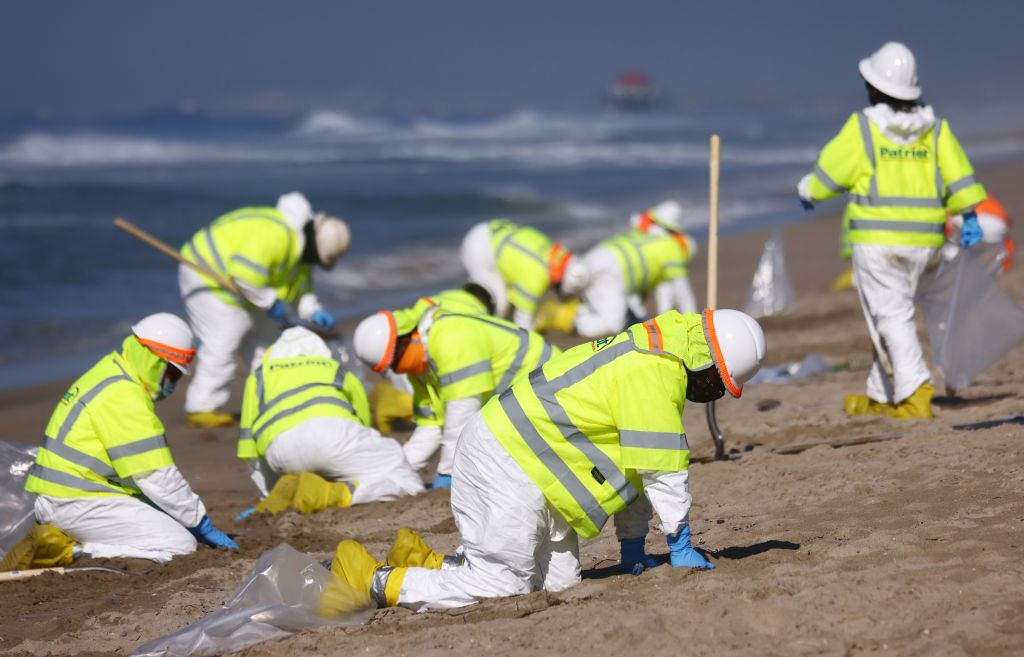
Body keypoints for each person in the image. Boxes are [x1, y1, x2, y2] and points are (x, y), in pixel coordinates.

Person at [328, 308, 766, 610]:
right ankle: (372, 579)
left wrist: (633, 548)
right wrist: (679, 545)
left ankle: (436, 564)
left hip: (538, 468)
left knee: (558, 586)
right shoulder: (654, 371)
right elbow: (662, 470)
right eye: (720, 382)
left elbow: (637, 471)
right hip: (505, 456)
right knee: (501, 587)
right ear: (707, 363)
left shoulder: (657, 353)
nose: (716, 392)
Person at [797, 42, 987, 420]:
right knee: (886, 314)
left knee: (890, 315)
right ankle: (882, 391)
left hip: (880, 245)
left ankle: (915, 391)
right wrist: (969, 216)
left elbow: (829, 174)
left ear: (873, 86)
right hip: (927, 243)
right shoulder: (935, 129)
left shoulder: (864, 127)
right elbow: (959, 175)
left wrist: (808, 191)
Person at [24, 313, 238, 564]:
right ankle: (69, 550)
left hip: (71, 493)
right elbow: (155, 475)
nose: (172, 383)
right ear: (154, 361)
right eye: (172, 374)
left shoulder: (111, 370)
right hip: (74, 501)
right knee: (179, 545)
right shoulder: (126, 396)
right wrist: (199, 522)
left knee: (169, 519)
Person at [179, 192, 351, 428]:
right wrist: (271, 303)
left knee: (269, 342)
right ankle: (202, 407)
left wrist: (312, 311)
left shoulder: (301, 253)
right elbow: (244, 275)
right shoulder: (277, 235)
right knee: (225, 337)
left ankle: (267, 399)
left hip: (251, 288)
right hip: (206, 273)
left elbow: (300, 292)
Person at [353, 304, 560, 489]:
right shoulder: (422, 366)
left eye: (395, 361)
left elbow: (462, 412)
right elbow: (431, 424)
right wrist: (400, 469)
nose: (397, 371)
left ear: (407, 338)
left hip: (550, 387)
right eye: (390, 368)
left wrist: (448, 472)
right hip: (519, 402)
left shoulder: (451, 338)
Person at [237, 327, 423, 506]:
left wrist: (268, 495)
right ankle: (342, 495)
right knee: (395, 465)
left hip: (279, 451)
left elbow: (248, 445)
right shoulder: (335, 368)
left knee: (329, 464)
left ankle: (305, 494)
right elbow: (361, 420)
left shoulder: (258, 377)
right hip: (331, 436)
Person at [545, 200, 697, 337]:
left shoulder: (644, 232)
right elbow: (682, 292)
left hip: (599, 255)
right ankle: (568, 318)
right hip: (613, 271)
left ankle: (579, 308)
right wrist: (694, 324)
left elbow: (663, 293)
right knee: (614, 324)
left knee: (630, 316)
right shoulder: (672, 248)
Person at [460, 219, 588, 329]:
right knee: (499, 304)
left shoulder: (550, 250)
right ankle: (471, 327)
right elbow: (523, 322)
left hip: (487, 230)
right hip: (480, 250)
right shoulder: (535, 279)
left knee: (498, 297)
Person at [942, 196, 1013, 270]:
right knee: (996, 247)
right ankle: (1001, 268)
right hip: (996, 221)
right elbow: (1008, 221)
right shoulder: (982, 195)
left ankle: (951, 259)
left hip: (964, 217)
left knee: (950, 243)